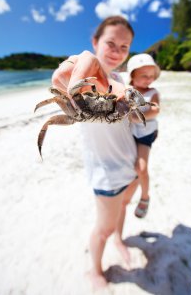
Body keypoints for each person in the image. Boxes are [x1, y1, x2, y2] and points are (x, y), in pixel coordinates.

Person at [51, 16, 155, 291]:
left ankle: (119, 240)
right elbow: (68, 80)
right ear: (95, 42)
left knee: (123, 208)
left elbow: (135, 109)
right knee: (103, 229)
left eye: (125, 46)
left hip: (130, 165)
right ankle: (95, 271)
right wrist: (71, 78)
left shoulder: (121, 79)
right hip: (106, 175)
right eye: (111, 43)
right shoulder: (86, 81)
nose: (117, 51)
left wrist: (140, 105)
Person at [127, 54, 160, 218]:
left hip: (145, 134)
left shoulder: (152, 92)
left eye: (152, 76)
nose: (149, 80)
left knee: (141, 167)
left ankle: (145, 196)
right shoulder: (126, 91)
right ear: (132, 75)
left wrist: (135, 117)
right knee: (129, 164)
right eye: (144, 76)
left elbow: (155, 110)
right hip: (130, 133)